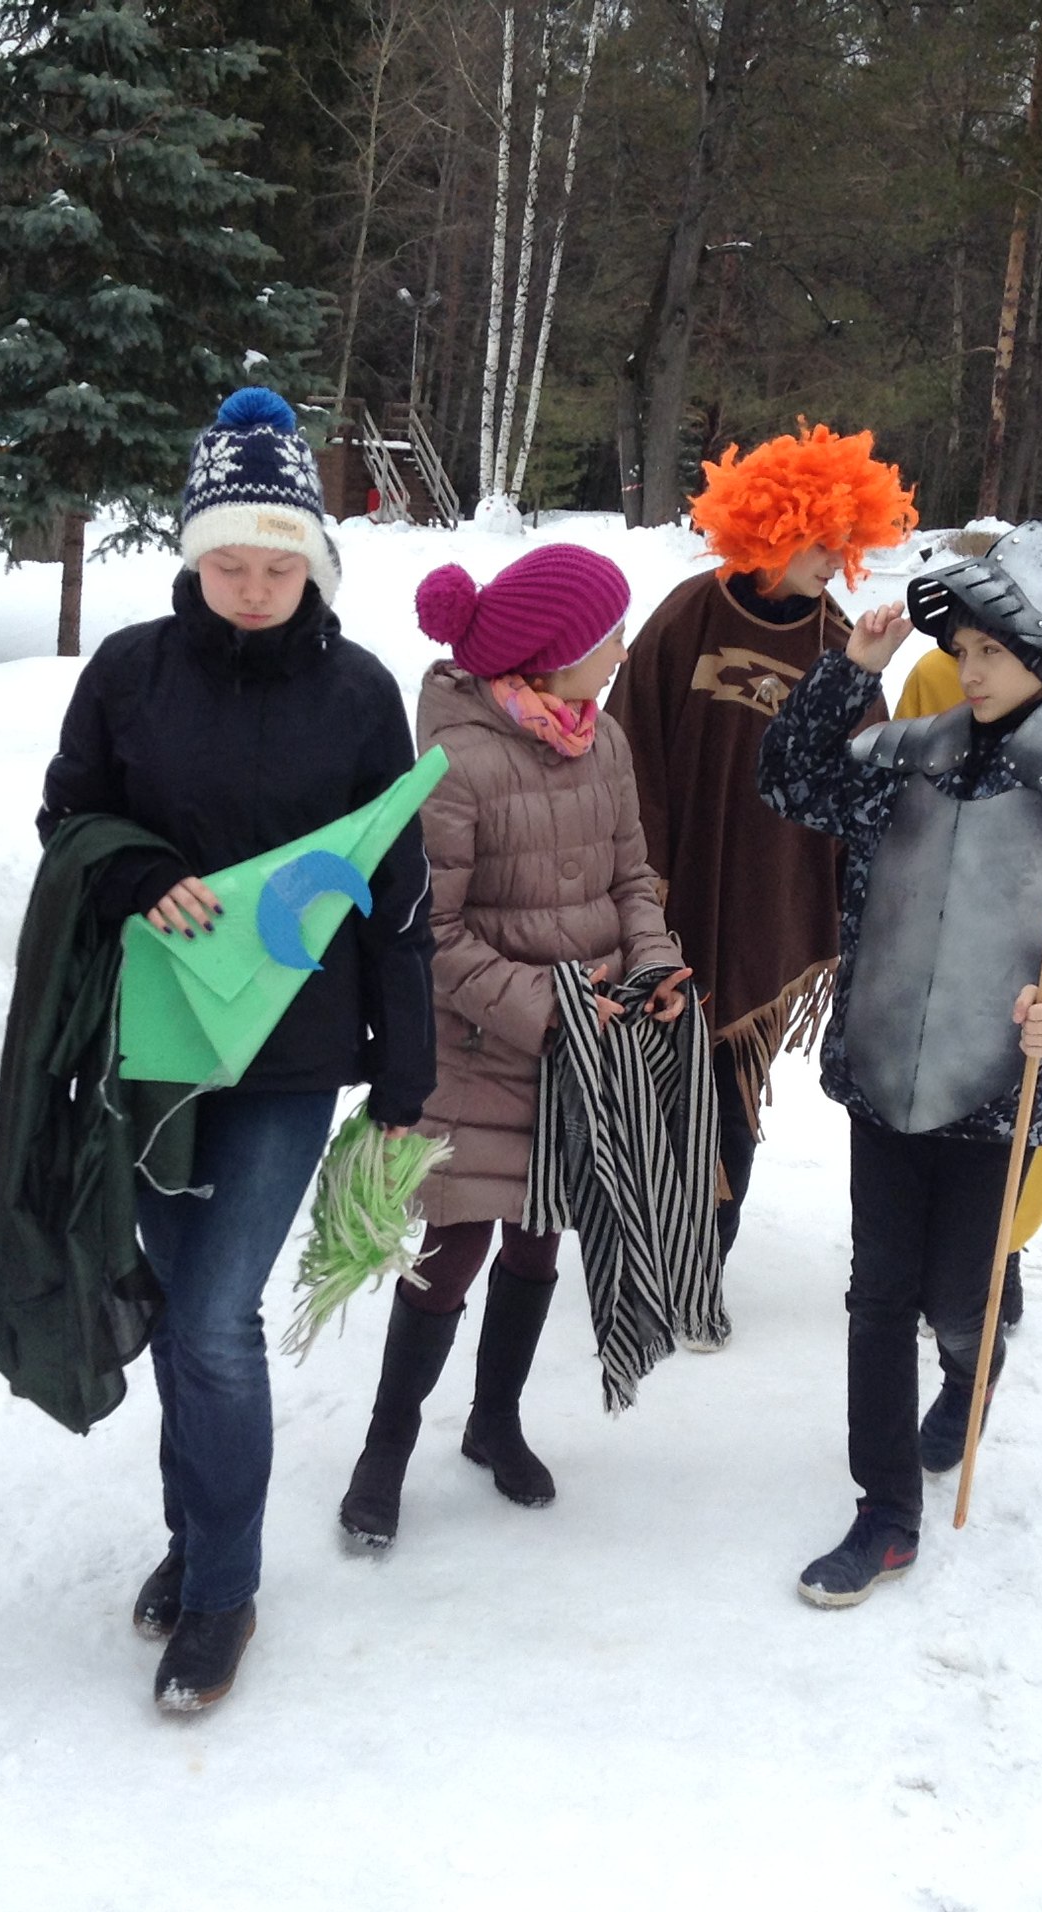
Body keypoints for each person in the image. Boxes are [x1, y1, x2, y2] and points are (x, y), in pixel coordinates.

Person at [37, 387, 436, 1712]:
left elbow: (398, 881)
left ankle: (223, 1594)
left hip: (290, 1056)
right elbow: (70, 816)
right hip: (153, 1052)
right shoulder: (131, 674)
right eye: (228, 564)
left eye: (278, 565)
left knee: (212, 1322)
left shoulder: (362, 694)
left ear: (314, 562)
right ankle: (197, 1534)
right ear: (191, 556)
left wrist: (406, 1071)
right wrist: (138, 869)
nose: (253, 588)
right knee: (176, 1320)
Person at [754, 520, 1042, 1607]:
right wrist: (843, 676)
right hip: (883, 1063)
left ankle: (972, 1360)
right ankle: (884, 1513)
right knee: (875, 1294)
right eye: (964, 651)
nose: (967, 668)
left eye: (991, 652)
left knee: (959, 1292)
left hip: (996, 1091)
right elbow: (790, 784)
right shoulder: (918, 752)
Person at [337, 545, 690, 1549]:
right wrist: (544, 999)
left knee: (541, 1234)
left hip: (586, 1048)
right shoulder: (458, 761)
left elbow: (632, 877)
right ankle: (385, 1449)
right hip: (483, 1046)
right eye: (606, 637)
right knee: (452, 1248)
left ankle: (495, 1420)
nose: (621, 649)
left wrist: (653, 963)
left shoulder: (603, 741)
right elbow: (431, 931)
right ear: (551, 654)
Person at [607, 425, 917, 1306]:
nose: (838, 560)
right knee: (662, 1083)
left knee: (729, 1090)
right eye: (824, 541)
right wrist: (645, 871)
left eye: (848, 542)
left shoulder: (836, 640)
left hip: (771, 900)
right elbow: (629, 744)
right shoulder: (689, 614)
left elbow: (866, 783)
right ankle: (642, 1246)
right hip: (668, 892)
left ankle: (699, 1268)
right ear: (772, 529)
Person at [888, 599, 1042, 1332]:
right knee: (939, 1086)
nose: (975, 673)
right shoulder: (940, 670)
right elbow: (901, 775)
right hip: (950, 920)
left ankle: (1004, 1249)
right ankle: (940, 1248)